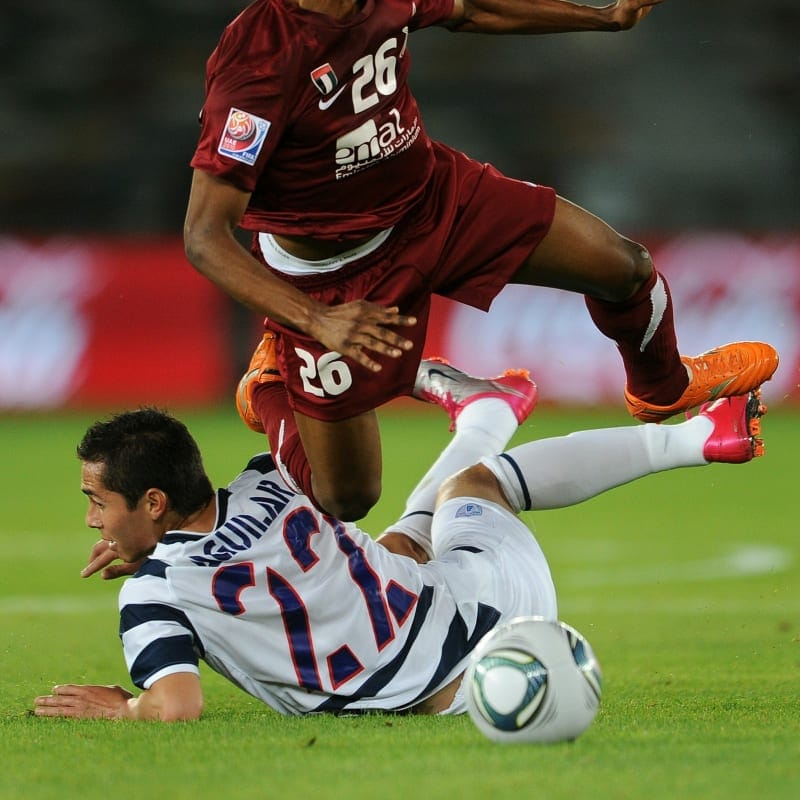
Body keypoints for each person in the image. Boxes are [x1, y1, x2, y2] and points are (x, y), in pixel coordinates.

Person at [182, 0, 778, 522]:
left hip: (435, 200)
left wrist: (603, 16)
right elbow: (205, 235)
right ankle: (270, 383)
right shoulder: (259, 57)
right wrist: (315, 321)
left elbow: (471, 8)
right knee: (348, 496)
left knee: (623, 266)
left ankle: (663, 387)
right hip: (335, 280)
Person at [34, 359, 767, 721]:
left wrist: (123, 707)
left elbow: (177, 703)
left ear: (153, 503)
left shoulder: (153, 593)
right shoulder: (275, 479)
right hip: (476, 611)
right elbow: (299, 412)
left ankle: (696, 437)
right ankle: (486, 412)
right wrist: (268, 387)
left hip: (462, 678)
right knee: (400, 537)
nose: (92, 519)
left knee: (474, 488)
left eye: (97, 502)